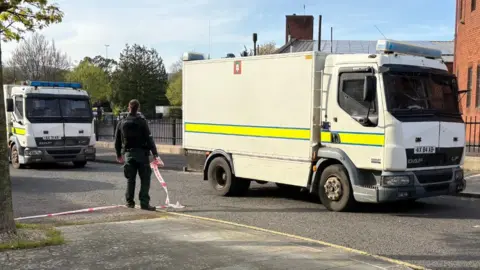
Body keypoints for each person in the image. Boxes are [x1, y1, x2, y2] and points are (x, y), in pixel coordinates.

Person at [114, 99, 162, 211]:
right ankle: (144, 203)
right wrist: (155, 154)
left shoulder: (122, 122)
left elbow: (117, 140)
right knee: (145, 180)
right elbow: (149, 139)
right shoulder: (142, 121)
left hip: (129, 154)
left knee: (130, 179)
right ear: (138, 108)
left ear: (128, 108)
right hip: (142, 155)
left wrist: (118, 154)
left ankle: (129, 202)